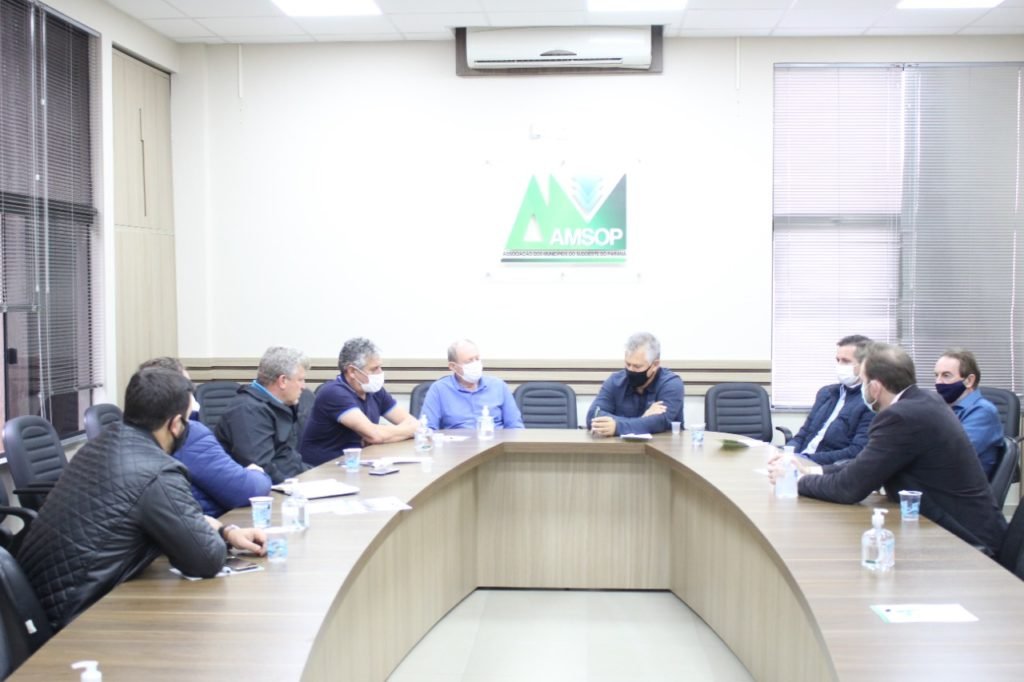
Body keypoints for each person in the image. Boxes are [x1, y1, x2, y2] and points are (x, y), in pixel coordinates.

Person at [17, 367, 267, 632]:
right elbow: (205, 560)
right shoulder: (157, 471)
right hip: (75, 620)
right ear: (175, 424)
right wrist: (217, 535)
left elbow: (178, 520)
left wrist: (226, 532)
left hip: (36, 606)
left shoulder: (100, 445)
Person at [770, 342, 1007, 556]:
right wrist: (813, 471)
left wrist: (795, 480)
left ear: (875, 387)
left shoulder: (901, 417)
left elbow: (848, 488)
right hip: (958, 526)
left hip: (963, 539)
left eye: (863, 382)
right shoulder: (923, 402)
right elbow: (867, 464)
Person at [140, 357, 272, 517]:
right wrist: (257, 474)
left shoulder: (130, 433)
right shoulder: (189, 434)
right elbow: (246, 490)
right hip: (208, 524)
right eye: (189, 389)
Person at [300, 337, 419, 466]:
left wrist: (382, 433)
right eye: (374, 369)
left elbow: (414, 424)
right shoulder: (334, 393)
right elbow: (375, 435)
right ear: (352, 371)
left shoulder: (374, 391)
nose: (380, 373)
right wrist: (379, 433)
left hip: (357, 464)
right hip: (325, 469)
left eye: (380, 367)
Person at [215, 346, 311, 483]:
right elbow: (261, 468)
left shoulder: (279, 405)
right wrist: (297, 486)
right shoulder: (247, 411)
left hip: (289, 482)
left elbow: (288, 458)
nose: (303, 386)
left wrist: (313, 476)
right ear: (283, 381)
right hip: (270, 489)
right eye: (300, 380)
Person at [785, 335, 874, 465]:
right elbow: (803, 434)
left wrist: (806, 459)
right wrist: (786, 454)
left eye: (846, 361)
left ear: (865, 365)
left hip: (827, 468)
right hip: (799, 462)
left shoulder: (870, 402)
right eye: (838, 360)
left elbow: (856, 451)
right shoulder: (826, 393)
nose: (840, 365)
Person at [586, 332, 684, 437]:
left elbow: (660, 422)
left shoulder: (671, 384)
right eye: (628, 364)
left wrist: (617, 427)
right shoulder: (615, 381)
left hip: (662, 445)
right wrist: (643, 419)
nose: (630, 370)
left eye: (637, 367)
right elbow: (593, 415)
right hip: (620, 446)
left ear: (655, 365)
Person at [421, 339, 524, 431]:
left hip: (495, 443)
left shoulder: (498, 386)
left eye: (477, 359)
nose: (475, 364)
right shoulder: (439, 390)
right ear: (453, 366)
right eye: (469, 361)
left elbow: (515, 427)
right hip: (457, 445)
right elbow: (427, 429)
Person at [934, 349, 1004, 478]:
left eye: (946, 375)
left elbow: (951, 455)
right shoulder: (946, 409)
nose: (938, 382)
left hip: (961, 487)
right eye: (936, 375)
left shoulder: (983, 412)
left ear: (969, 381)